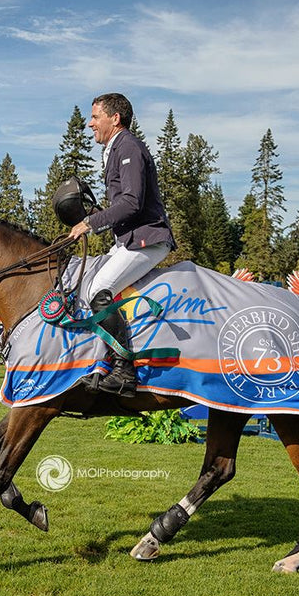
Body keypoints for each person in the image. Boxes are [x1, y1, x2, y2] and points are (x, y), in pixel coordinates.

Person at [67, 92, 176, 397]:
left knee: (98, 289)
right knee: (87, 286)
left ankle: (124, 372)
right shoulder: (115, 149)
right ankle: (101, 364)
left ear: (114, 118)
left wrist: (91, 223)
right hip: (129, 240)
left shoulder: (128, 146)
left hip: (146, 240)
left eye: (95, 117)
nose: (90, 124)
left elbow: (131, 202)